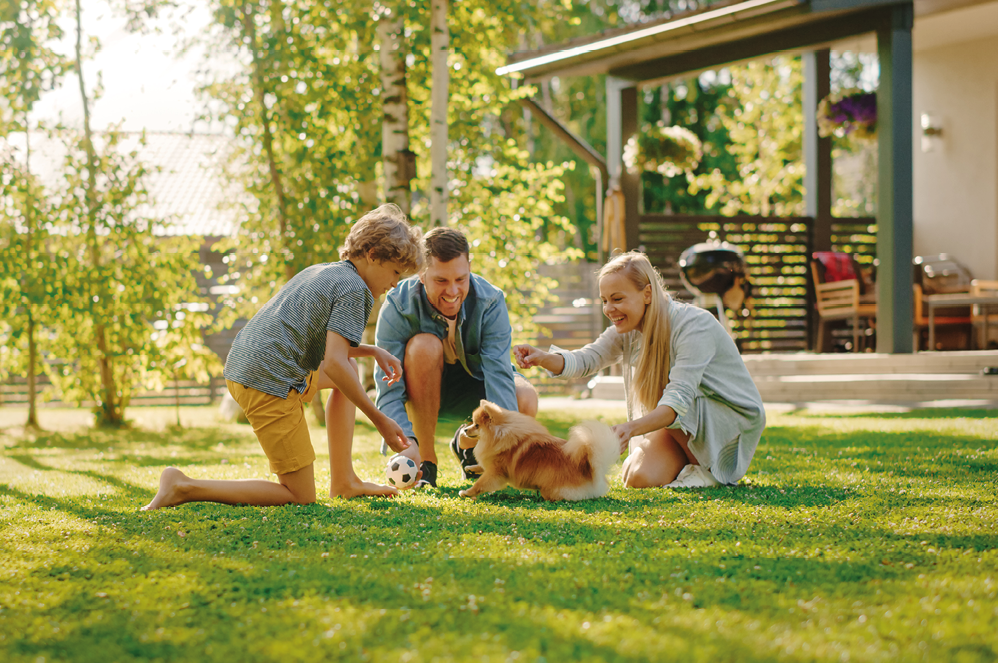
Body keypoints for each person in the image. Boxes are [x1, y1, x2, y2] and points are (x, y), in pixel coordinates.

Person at [142, 204, 423, 510]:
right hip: (268, 380)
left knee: (351, 367)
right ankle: (183, 486)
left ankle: (345, 481)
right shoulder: (356, 290)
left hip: (249, 366)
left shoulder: (326, 273)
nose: (396, 282)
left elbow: (327, 346)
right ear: (371, 255)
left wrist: (371, 349)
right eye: (395, 271)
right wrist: (380, 419)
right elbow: (333, 363)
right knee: (299, 496)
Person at [513, 251, 765, 489]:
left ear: (646, 293)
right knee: (637, 477)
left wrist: (630, 428)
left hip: (725, 418)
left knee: (670, 404)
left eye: (618, 299)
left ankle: (711, 472)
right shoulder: (629, 329)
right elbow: (587, 359)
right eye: (604, 300)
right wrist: (543, 358)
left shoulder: (694, 326)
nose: (609, 309)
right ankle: (691, 466)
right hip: (681, 422)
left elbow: (678, 400)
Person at [374, 227, 538, 488]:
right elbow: (389, 388)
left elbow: (498, 373)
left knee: (525, 399)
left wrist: (504, 450)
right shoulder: (398, 305)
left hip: (477, 388)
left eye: (461, 279)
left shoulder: (491, 300)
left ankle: (470, 450)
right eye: (441, 281)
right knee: (423, 346)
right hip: (422, 393)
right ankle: (426, 463)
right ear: (421, 272)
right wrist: (407, 441)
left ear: (470, 267)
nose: (452, 291)